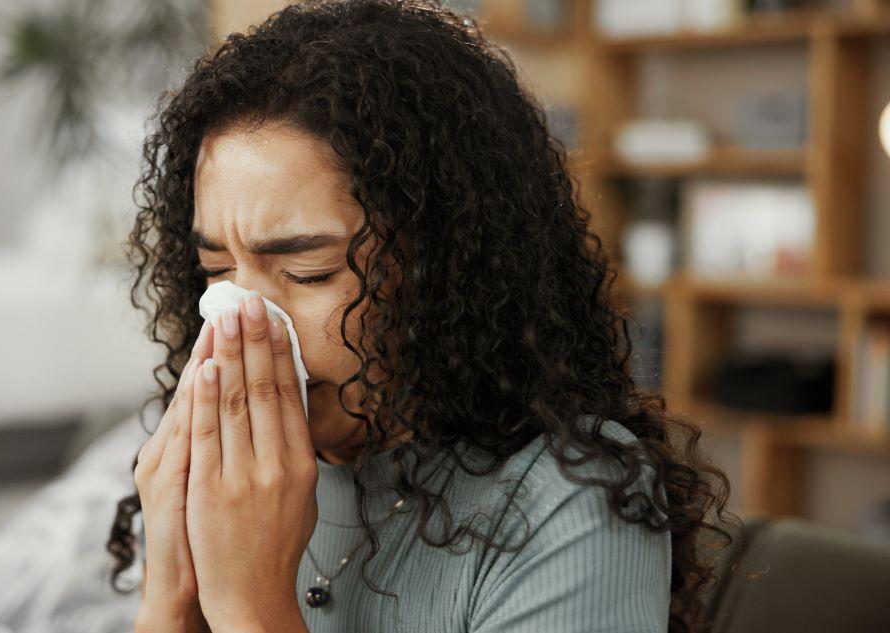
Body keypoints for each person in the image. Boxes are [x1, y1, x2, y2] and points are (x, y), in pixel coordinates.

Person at [106, 1, 739, 631]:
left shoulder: (569, 503)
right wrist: (170, 599)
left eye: (309, 273)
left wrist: (248, 605)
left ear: (443, 265)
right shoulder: (225, 483)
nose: (237, 324)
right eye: (216, 271)